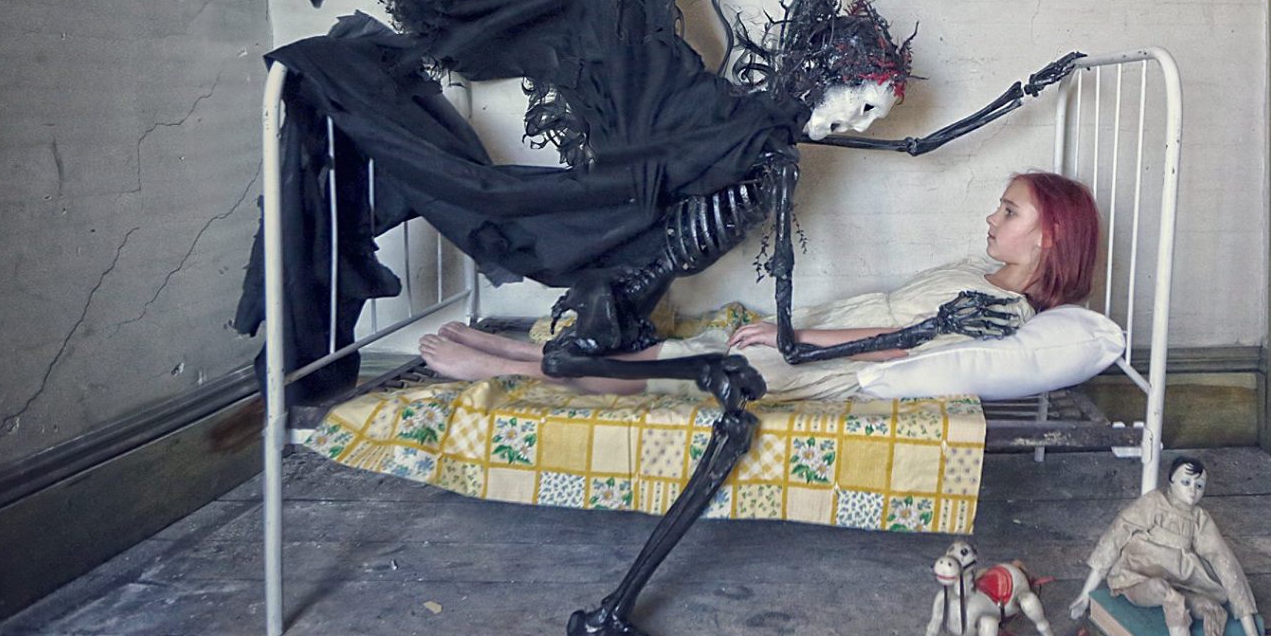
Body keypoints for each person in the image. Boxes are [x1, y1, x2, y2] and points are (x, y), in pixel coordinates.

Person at [416, 171, 1100, 401]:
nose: (992, 217)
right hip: (823, 334)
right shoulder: (980, 271)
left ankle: (503, 369)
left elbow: (900, 344)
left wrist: (790, 336)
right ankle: (519, 352)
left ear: (1048, 236)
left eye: (1010, 212)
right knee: (690, 347)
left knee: (665, 368)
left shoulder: (1000, 308)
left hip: (826, 361)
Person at [1069, 454, 1271, 636]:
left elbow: (1229, 569)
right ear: (1170, 482)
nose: (1193, 490)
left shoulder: (1200, 520)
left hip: (1180, 582)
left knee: (1203, 604)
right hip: (1137, 578)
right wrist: (1086, 593)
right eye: (1186, 482)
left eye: (1199, 485)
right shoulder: (1154, 503)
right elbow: (1114, 537)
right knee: (1167, 594)